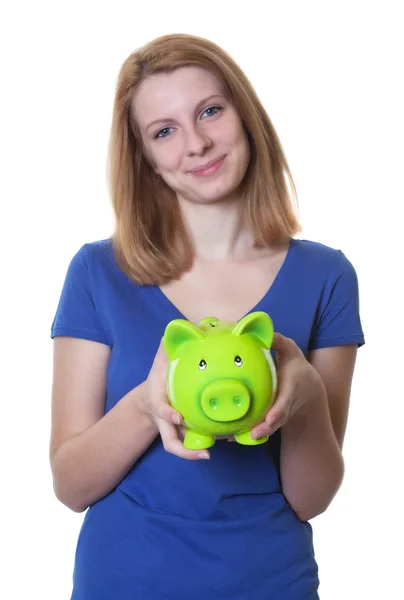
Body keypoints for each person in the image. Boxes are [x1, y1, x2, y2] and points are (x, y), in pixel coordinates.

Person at [49, 33, 365, 600]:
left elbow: (311, 499)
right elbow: (70, 485)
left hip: (271, 583)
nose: (195, 143)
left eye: (210, 111)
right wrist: (147, 405)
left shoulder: (327, 276)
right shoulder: (98, 272)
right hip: (123, 582)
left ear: (245, 116)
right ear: (143, 156)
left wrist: (308, 394)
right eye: (163, 131)